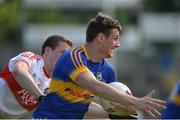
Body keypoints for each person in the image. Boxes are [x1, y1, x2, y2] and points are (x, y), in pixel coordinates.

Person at [33, 12, 166, 119]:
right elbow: (95, 86)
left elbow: (88, 106)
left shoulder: (108, 71)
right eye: (115, 38)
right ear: (101, 38)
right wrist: (136, 101)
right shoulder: (72, 57)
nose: (118, 44)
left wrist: (118, 114)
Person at [0, 34, 73, 118]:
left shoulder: (57, 84)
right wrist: (40, 96)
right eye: (63, 53)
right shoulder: (32, 59)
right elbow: (18, 71)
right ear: (47, 51)